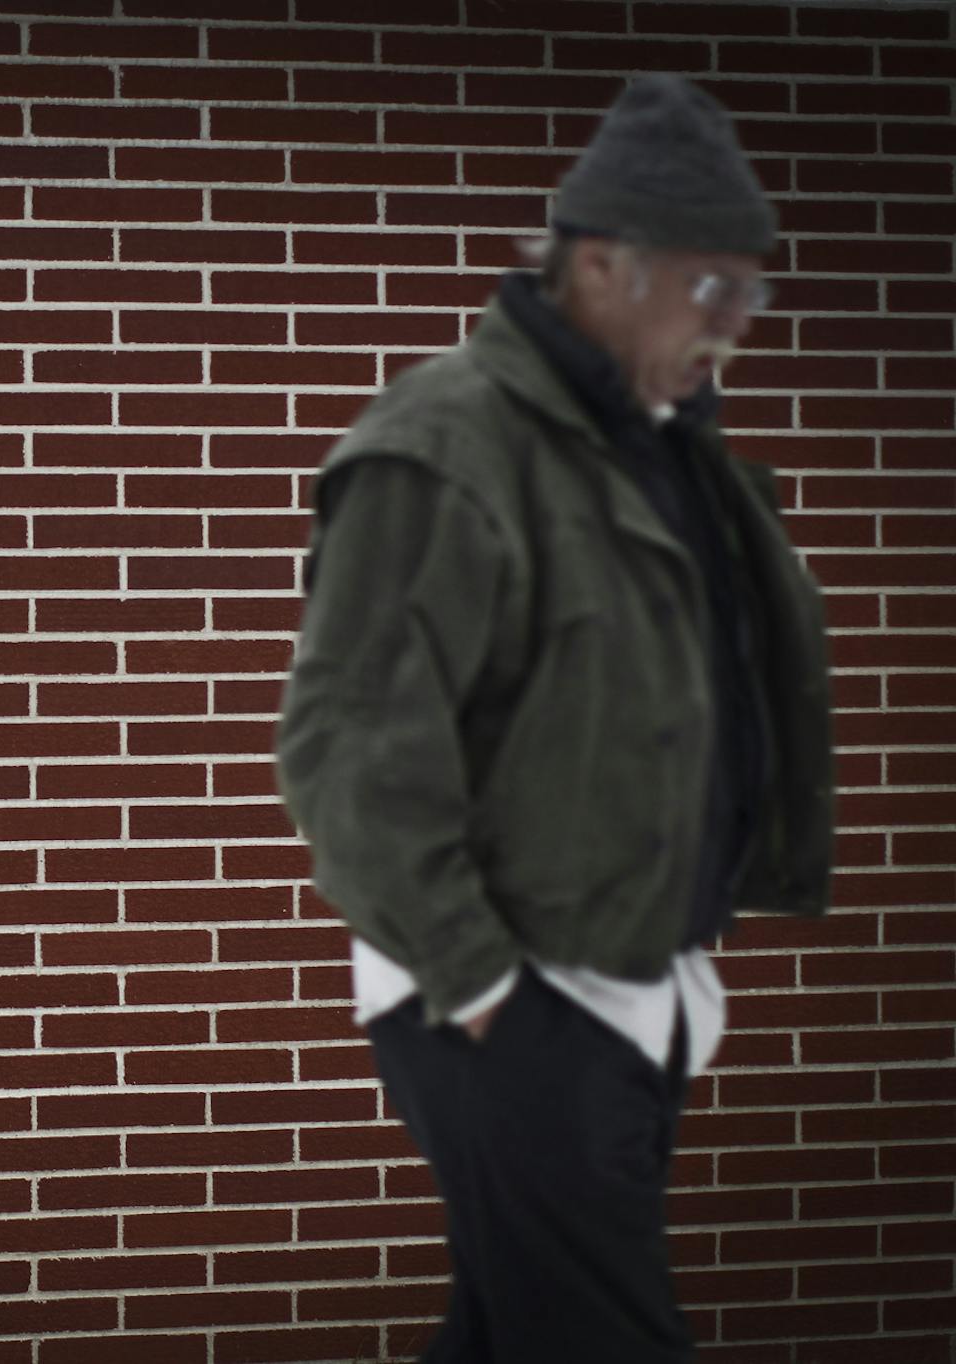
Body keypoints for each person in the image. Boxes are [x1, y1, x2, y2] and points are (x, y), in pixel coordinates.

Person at [274, 75, 834, 1362]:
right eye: (714, 287)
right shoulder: (451, 442)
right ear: (601, 267)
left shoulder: (667, 454)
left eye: (752, 291)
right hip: (512, 999)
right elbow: (347, 744)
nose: (737, 325)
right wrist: (481, 984)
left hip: (637, 988)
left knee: (510, 1332)